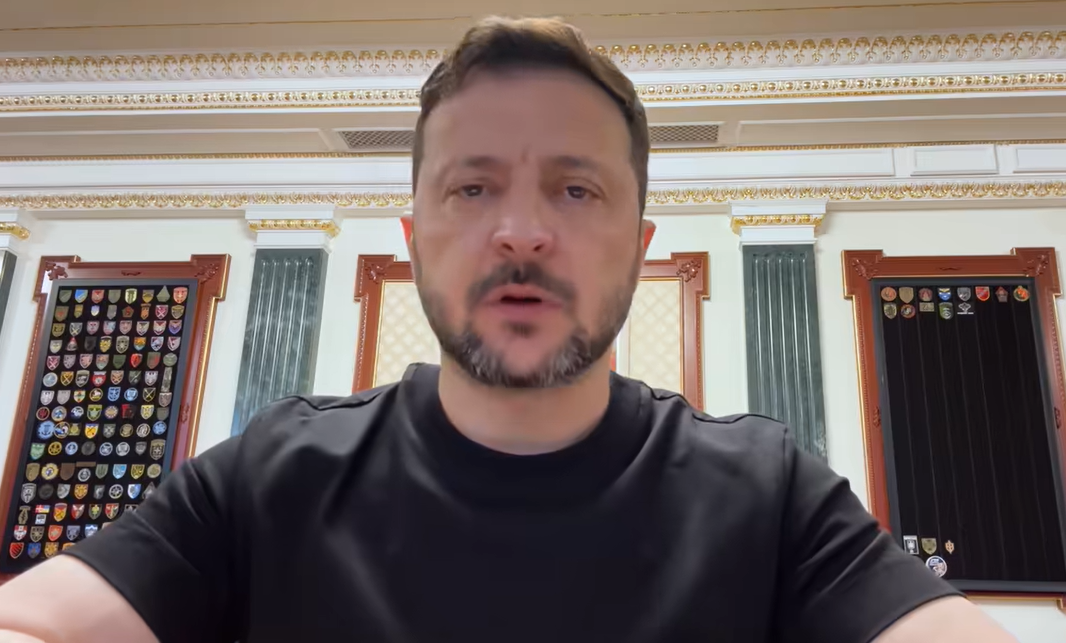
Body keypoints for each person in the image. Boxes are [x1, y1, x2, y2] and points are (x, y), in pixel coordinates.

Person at [0, 16, 1018, 643]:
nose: (521, 231)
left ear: (639, 246)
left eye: (576, 189)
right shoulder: (274, 473)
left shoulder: (768, 490)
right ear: (413, 241)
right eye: (472, 186)